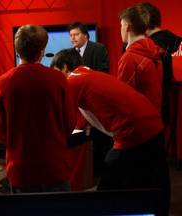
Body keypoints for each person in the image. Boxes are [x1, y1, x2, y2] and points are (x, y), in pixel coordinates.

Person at [50, 48, 170, 215]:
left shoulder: (73, 81)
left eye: (55, 73)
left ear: (63, 68)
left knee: (107, 190)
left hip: (132, 133)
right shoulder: (90, 75)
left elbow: (62, 120)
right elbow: (83, 116)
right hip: (153, 125)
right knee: (152, 184)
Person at [0, 24, 76, 193]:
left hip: (21, 168)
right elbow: (69, 123)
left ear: (17, 51)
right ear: (42, 51)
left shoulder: (3, 82)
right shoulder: (58, 78)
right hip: (54, 166)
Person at [68, 21, 113, 181]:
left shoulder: (98, 49)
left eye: (76, 34)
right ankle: (89, 174)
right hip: (78, 104)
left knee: (101, 139)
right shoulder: (69, 53)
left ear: (85, 35)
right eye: (71, 35)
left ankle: (103, 173)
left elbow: (104, 71)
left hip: (96, 102)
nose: (73, 38)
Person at [117, 4, 164, 113]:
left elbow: (122, 97)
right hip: (153, 118)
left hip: (137, 122)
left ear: (127, 26)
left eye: (121, 25)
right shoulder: (153, 49)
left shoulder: (130, 57)